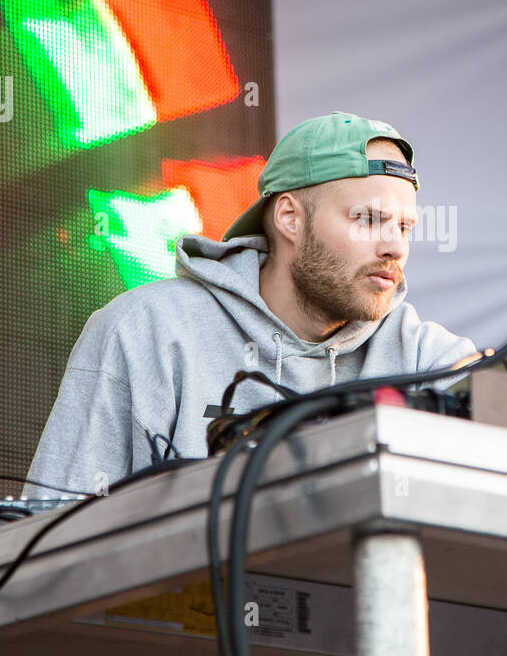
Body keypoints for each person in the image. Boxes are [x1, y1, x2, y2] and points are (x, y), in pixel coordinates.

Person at [24, 112, 477, 498]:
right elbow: (46, 541)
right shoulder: (143, 330)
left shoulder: (425, 358)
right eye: (368, 219)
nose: (395, 247)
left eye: (404, 227)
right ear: (289, 219)